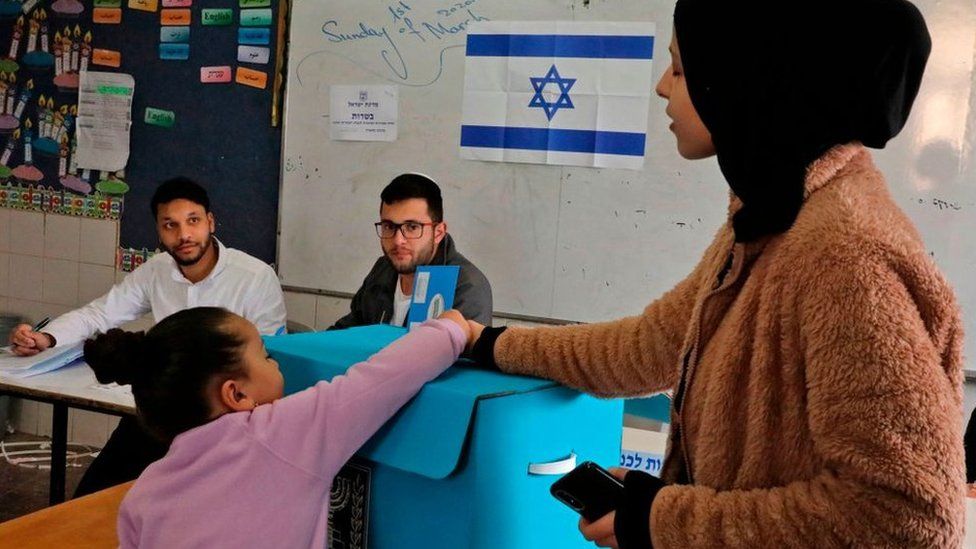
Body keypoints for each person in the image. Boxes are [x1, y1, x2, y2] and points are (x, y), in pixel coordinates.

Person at [469, 1, 965, 547]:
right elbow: (648, 345)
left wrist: (665, 520)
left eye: (681, 68)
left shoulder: (846, 254)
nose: (662, 87)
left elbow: (907, 516)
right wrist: (490, 343)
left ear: (748, 76)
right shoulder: (773, 217)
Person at [84, 306, 472, 548]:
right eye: (266, 356)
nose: (277, 364)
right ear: (236, 394)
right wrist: (453, 329)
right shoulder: (278, 434)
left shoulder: (146, 491)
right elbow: (379, 381)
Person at [8, 176, 288, 496]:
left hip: (222, 420)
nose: (183, 235)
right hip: (160, 414)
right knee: (94, 493)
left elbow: (271, 351)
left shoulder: (254, 277)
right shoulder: (156, 271)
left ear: (210, 222)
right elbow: (100, 314)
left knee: (180, 502)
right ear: (158, 230)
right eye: (170, 225)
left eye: (193, 221)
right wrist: (47, 337)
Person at [330, 173, 493, 329]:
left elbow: (460, 357)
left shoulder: (466, 285)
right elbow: (347, 333)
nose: (398, 240)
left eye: (412, 227)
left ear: (438, 233)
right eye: (389, 226)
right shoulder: (383, 269)